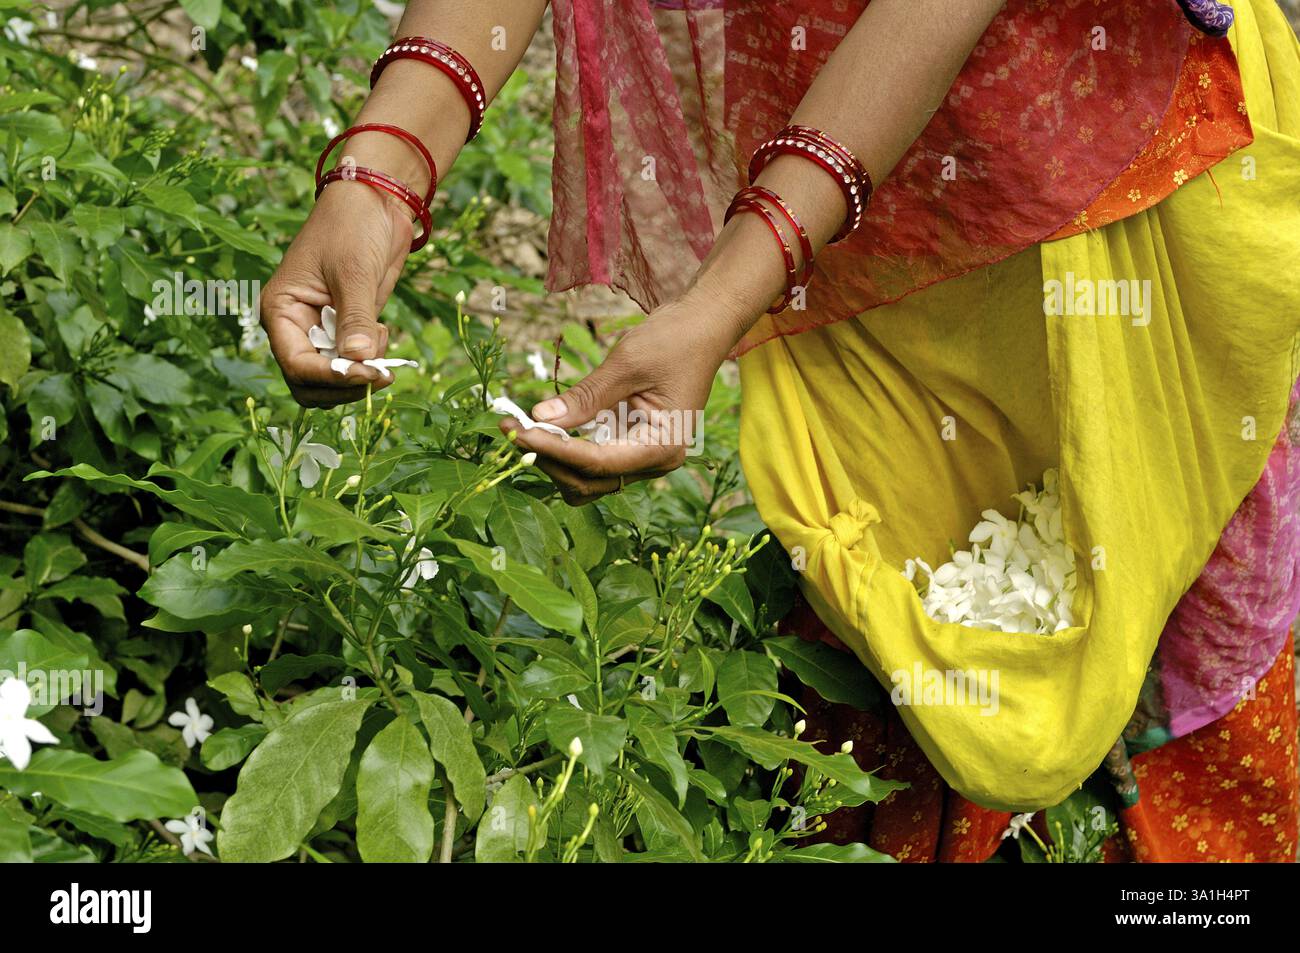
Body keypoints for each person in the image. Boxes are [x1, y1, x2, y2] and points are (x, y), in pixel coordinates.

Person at [261, 0, 1300, 861]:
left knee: (1169, 693)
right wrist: (384, 168)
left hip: (1109, 188)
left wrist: (725, 302)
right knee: (885, 658)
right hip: (853, 228)